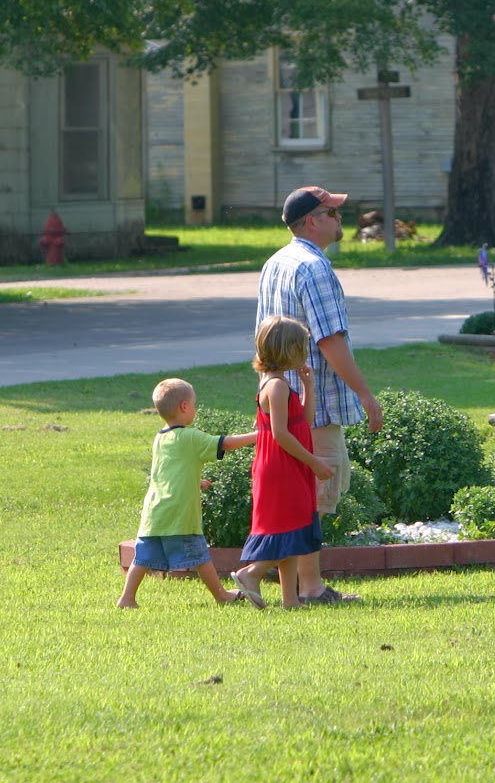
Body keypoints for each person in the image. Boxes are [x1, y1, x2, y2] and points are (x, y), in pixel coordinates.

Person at [255, 185, 384, 605]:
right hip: (316, 404)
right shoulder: (314, 268)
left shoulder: (276, 262)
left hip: (278, 400)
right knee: (316, 496)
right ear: (312, 221)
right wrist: (366, 394)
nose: (340, 219)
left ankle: (300, 585)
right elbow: (330, 339)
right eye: (332, 212)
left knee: (300, 496)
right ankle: (306, 587)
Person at [117, 378, 258, 609]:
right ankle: (221, 595)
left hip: (155, 513)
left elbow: (167, 471)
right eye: (194, 404)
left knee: (142, 558)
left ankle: (127, 598)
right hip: (180, 515)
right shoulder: (189, 437)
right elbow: (225, 443)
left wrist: (194, 481)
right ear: (184, 406)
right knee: (200, 556)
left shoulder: (160, 437)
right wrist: (260, 435)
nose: (195, 408)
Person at [230, 316, 335, 609]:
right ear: (287, 350)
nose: (305, 351)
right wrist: (314, 461)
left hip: (291, 463)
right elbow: (280, 434)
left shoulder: (283, 384)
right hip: (281, 466)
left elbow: (305, 420)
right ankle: (250, 574)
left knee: (294, 528)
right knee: (286, 530)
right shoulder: (275, 387)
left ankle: (290, 599)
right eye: (301, 346)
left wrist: (308, 387)